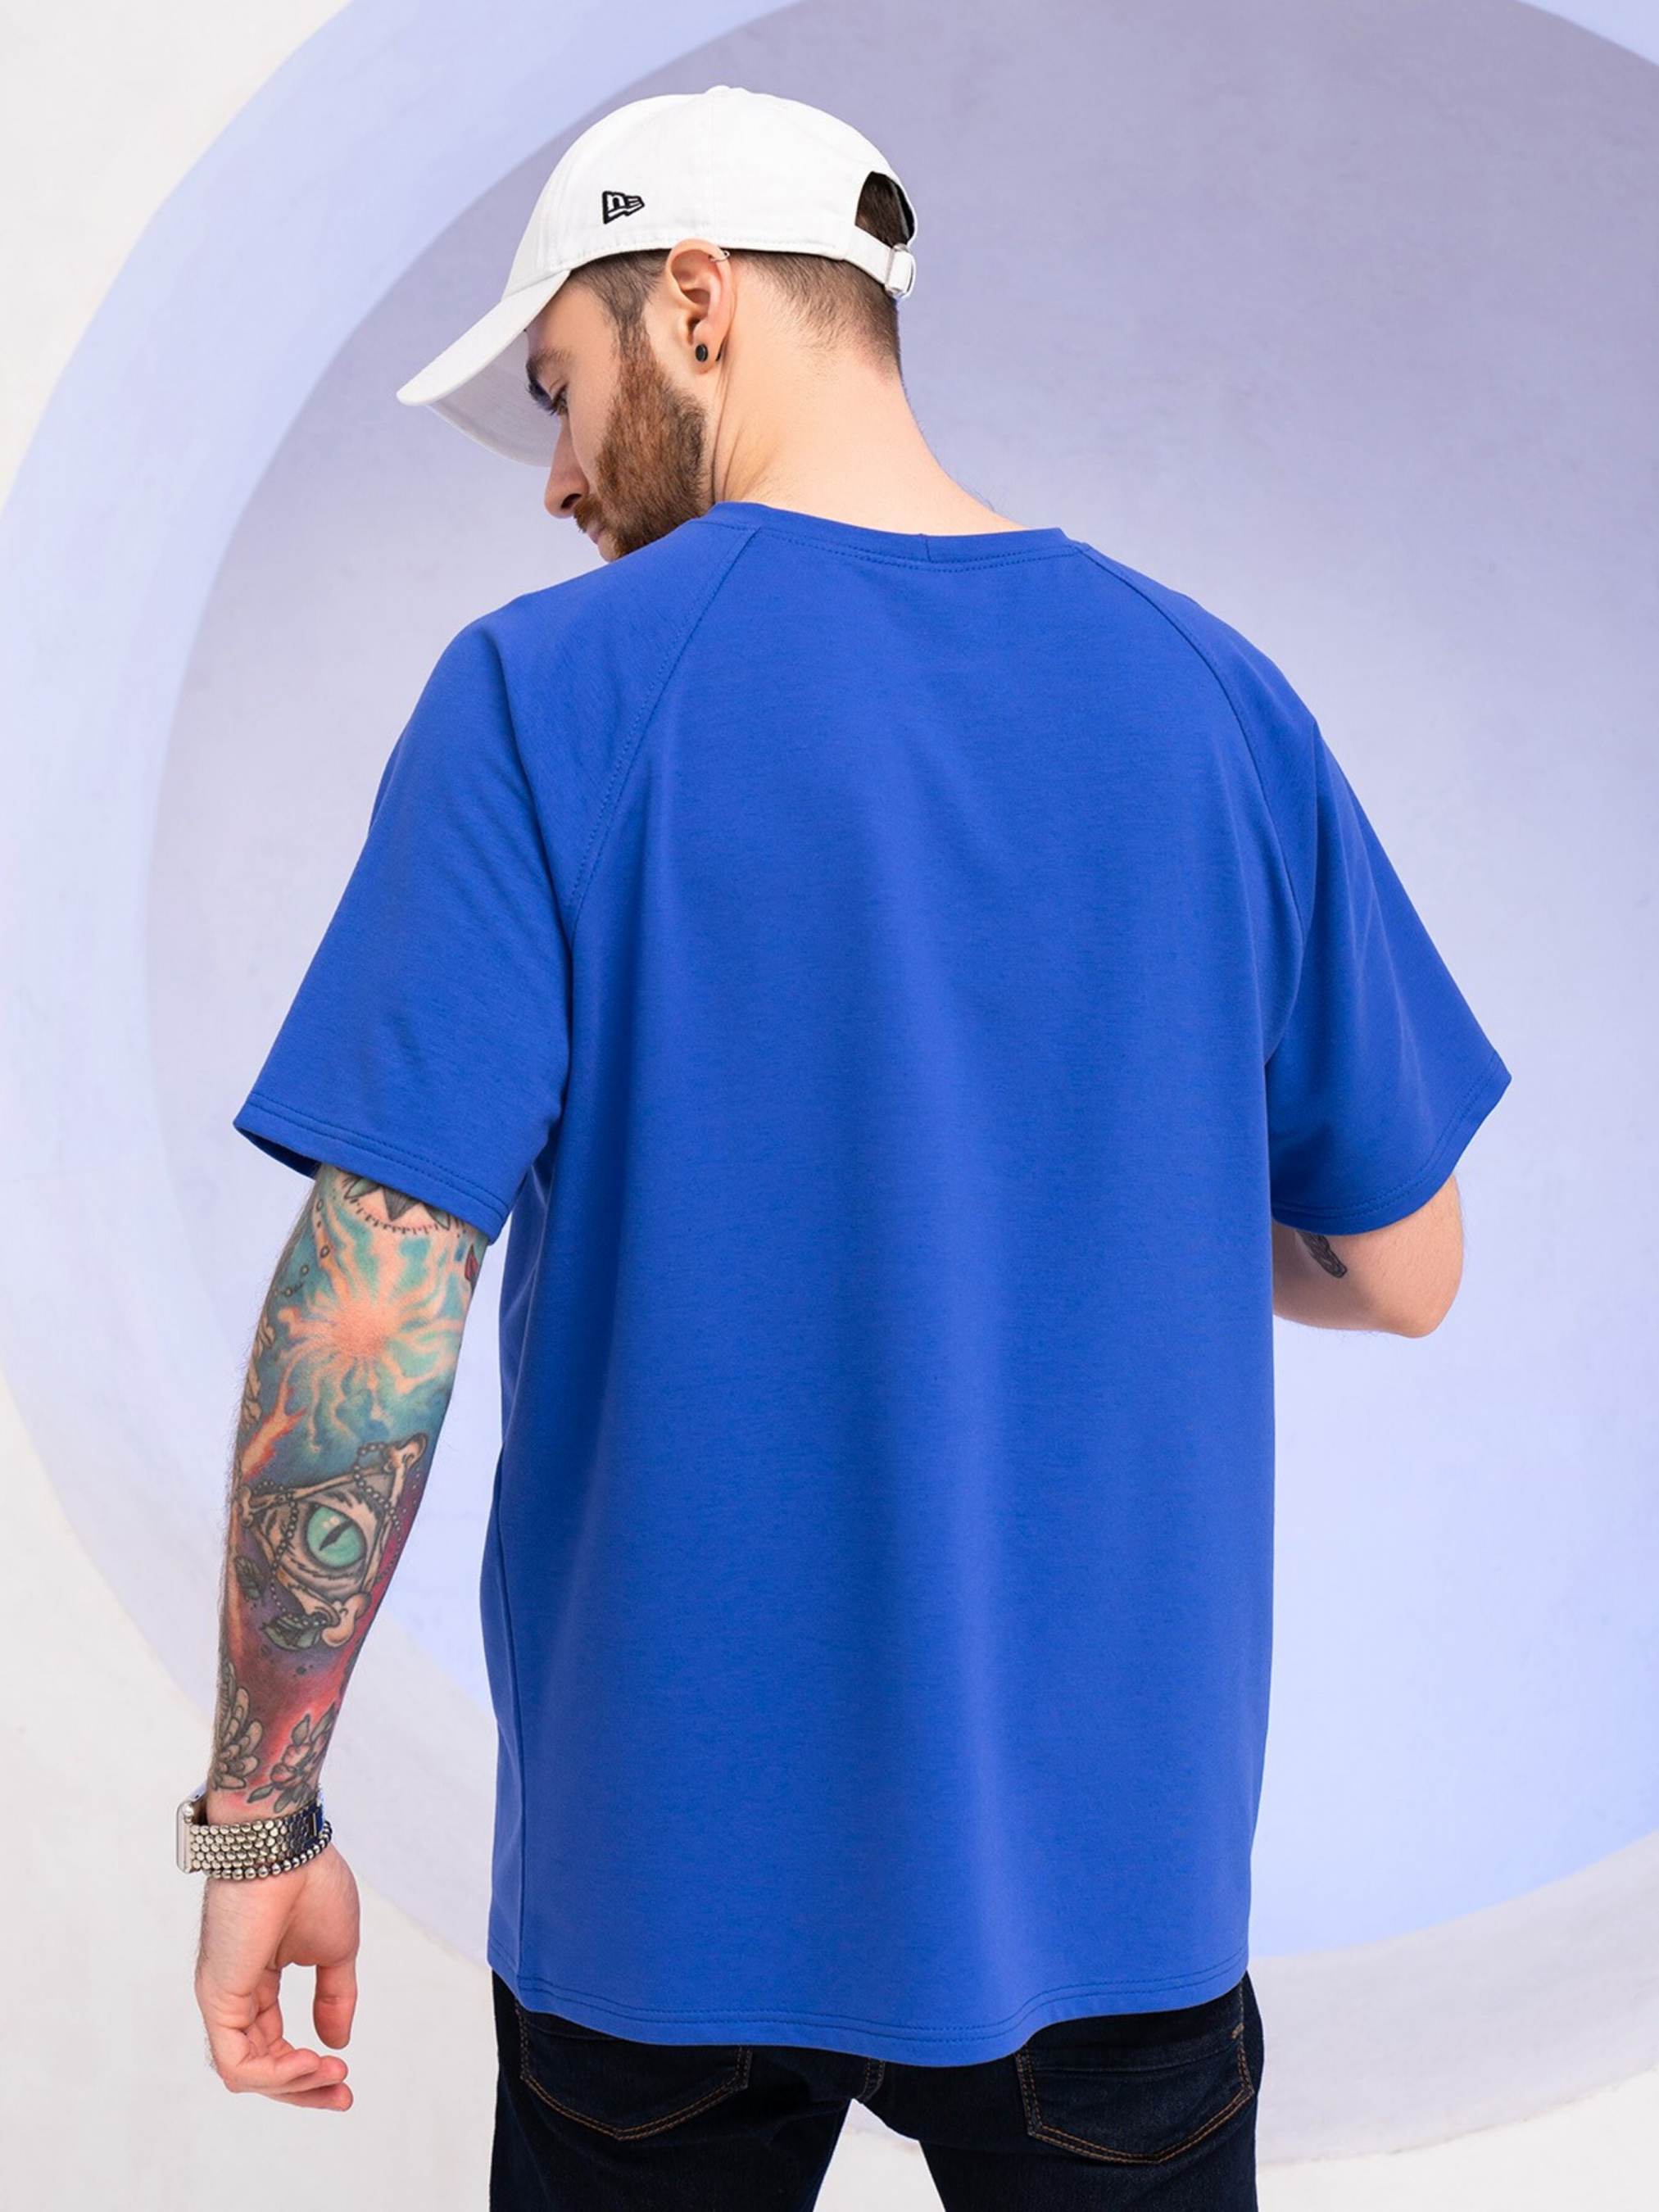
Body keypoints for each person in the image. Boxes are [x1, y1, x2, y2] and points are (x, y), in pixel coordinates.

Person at [180, 83, 1512, 2210]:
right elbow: (1407, 1263)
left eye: (560, 389)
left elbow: (377, 1298)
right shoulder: (1214, 700)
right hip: (1107, 1893)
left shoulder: (542, 696)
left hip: (657, 1893)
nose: (555, 477)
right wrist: (1099, 1193)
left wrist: (261, 1815)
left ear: (697, 301)